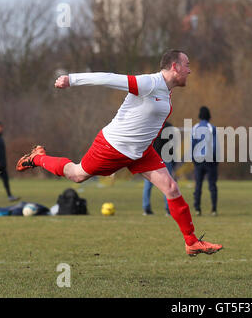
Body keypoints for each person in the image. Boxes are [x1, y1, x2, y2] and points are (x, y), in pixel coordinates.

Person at [16, 49, 222, 257]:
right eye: (186, 65)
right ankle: (37, 158)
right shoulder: (149, 84)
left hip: (141, 152)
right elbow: (108, 79)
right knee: (77, 175)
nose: (190, 70)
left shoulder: (167, 92)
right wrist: (72, 79)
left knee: (171, 188)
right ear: (174, 67)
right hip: (113, 146)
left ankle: (191, 242)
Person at [142, 121, 175, 216]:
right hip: (165, 158)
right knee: (167, 184)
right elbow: (172, 145)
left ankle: (146, 208)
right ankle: (169, 209)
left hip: (152, 158)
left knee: (148, 184)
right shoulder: (169, 126)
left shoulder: (151, 124)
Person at [192, 106, 218, 216]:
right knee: (212, 185)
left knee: (198, 185)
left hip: (198, 160)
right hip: (209, 160)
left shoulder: (195, 127)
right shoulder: (212, 128)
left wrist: (193, 159)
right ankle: (213, 209)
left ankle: (197, 209)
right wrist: (216, 160)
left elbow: (192, 145)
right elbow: (215, 146)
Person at [0, 122, 19, 202]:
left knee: (6, 180)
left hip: (2, 164)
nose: (2, 129)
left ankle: (10, 196)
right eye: (0, 127)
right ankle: (10, 196)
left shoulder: (0, 138)